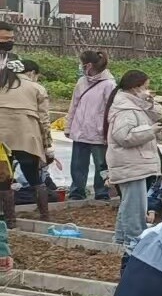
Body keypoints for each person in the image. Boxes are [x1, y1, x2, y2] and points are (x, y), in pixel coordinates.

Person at [103, 71, 162, 250]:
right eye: (145, 87)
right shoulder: (125, 110)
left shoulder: (135, 105)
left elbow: (156, 115)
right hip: (130, 162)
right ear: (135, 87)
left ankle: (122, 240)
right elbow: (123, 137)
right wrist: (150, 131)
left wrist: (149, 101)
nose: (147, 91)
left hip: (135, 161)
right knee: (135, 206)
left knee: (129, 202)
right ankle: (134, 240)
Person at [0, 56, 53, 224]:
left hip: (2, 139)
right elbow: (44, 120)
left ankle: (10, 220)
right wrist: (47, 145)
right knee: (33, 176)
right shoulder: (36, 88)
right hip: (27, 137)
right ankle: (44, 215)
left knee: (4, 178)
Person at [66, 50, 117, 201]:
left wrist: (108, 131)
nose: (80, 66)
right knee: (77, 165)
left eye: (81, 63)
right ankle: (76, 192)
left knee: (101, 165)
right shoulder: (82, 82)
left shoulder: (109, 84)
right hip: (80, 131)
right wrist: (69, 126)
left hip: (98, 133)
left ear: (88, 65)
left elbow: (111, 110)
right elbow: (73, 105)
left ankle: (101, 193)